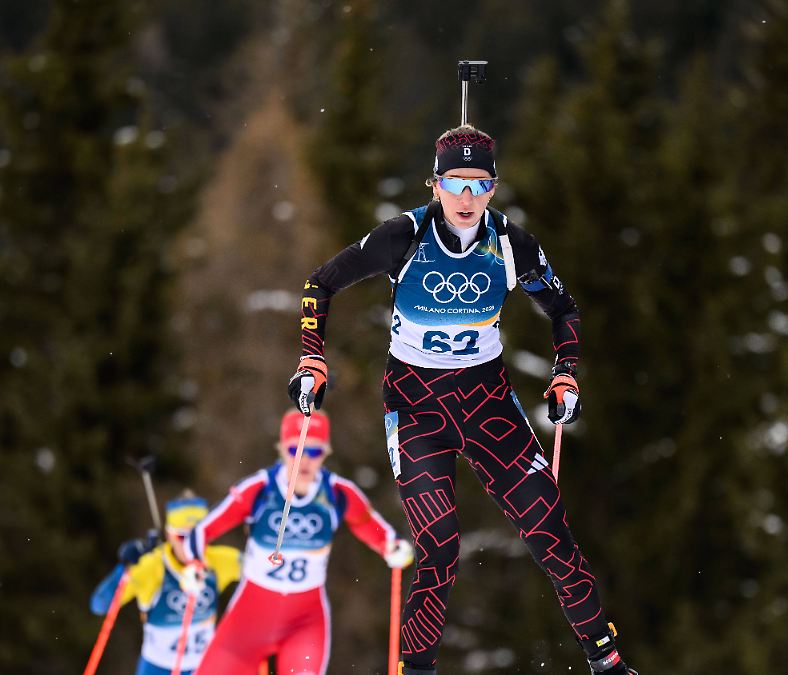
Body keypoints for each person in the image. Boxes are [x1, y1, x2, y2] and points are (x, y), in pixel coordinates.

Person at [287, 124, 636, 675]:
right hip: (416, 406)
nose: (467, 197)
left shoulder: (512, 245)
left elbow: (563, 309)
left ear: (493, 188)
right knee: (439, 548)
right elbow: (319, 284)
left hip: (487, 402)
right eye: (455, 183)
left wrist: (565, 374)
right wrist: (312, 359)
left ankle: (608, 663)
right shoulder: (404, 236)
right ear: (435, 185)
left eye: (479, 184)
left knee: (550, 532)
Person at [184, 410, 414, 675]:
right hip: (248, 621)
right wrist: (193, 564)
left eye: (314, 451)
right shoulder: (260, 489)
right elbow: (203, 531)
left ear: (325, 453)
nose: (304, 460)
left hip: (305, 622)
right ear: (282, 449)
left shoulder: (337, 493)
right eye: (296, 450)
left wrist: (391, 547)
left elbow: (368, 524)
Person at [90, 492, 241, 675]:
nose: (191, 546)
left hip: (202, 667)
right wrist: (124, 568)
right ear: (170, 534)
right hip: (157, 668)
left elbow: (264, 565)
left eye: (198, 537)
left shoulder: (218, 560)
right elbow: (100, 605)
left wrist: (261, 534)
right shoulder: (152, 566)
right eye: (183, 537)